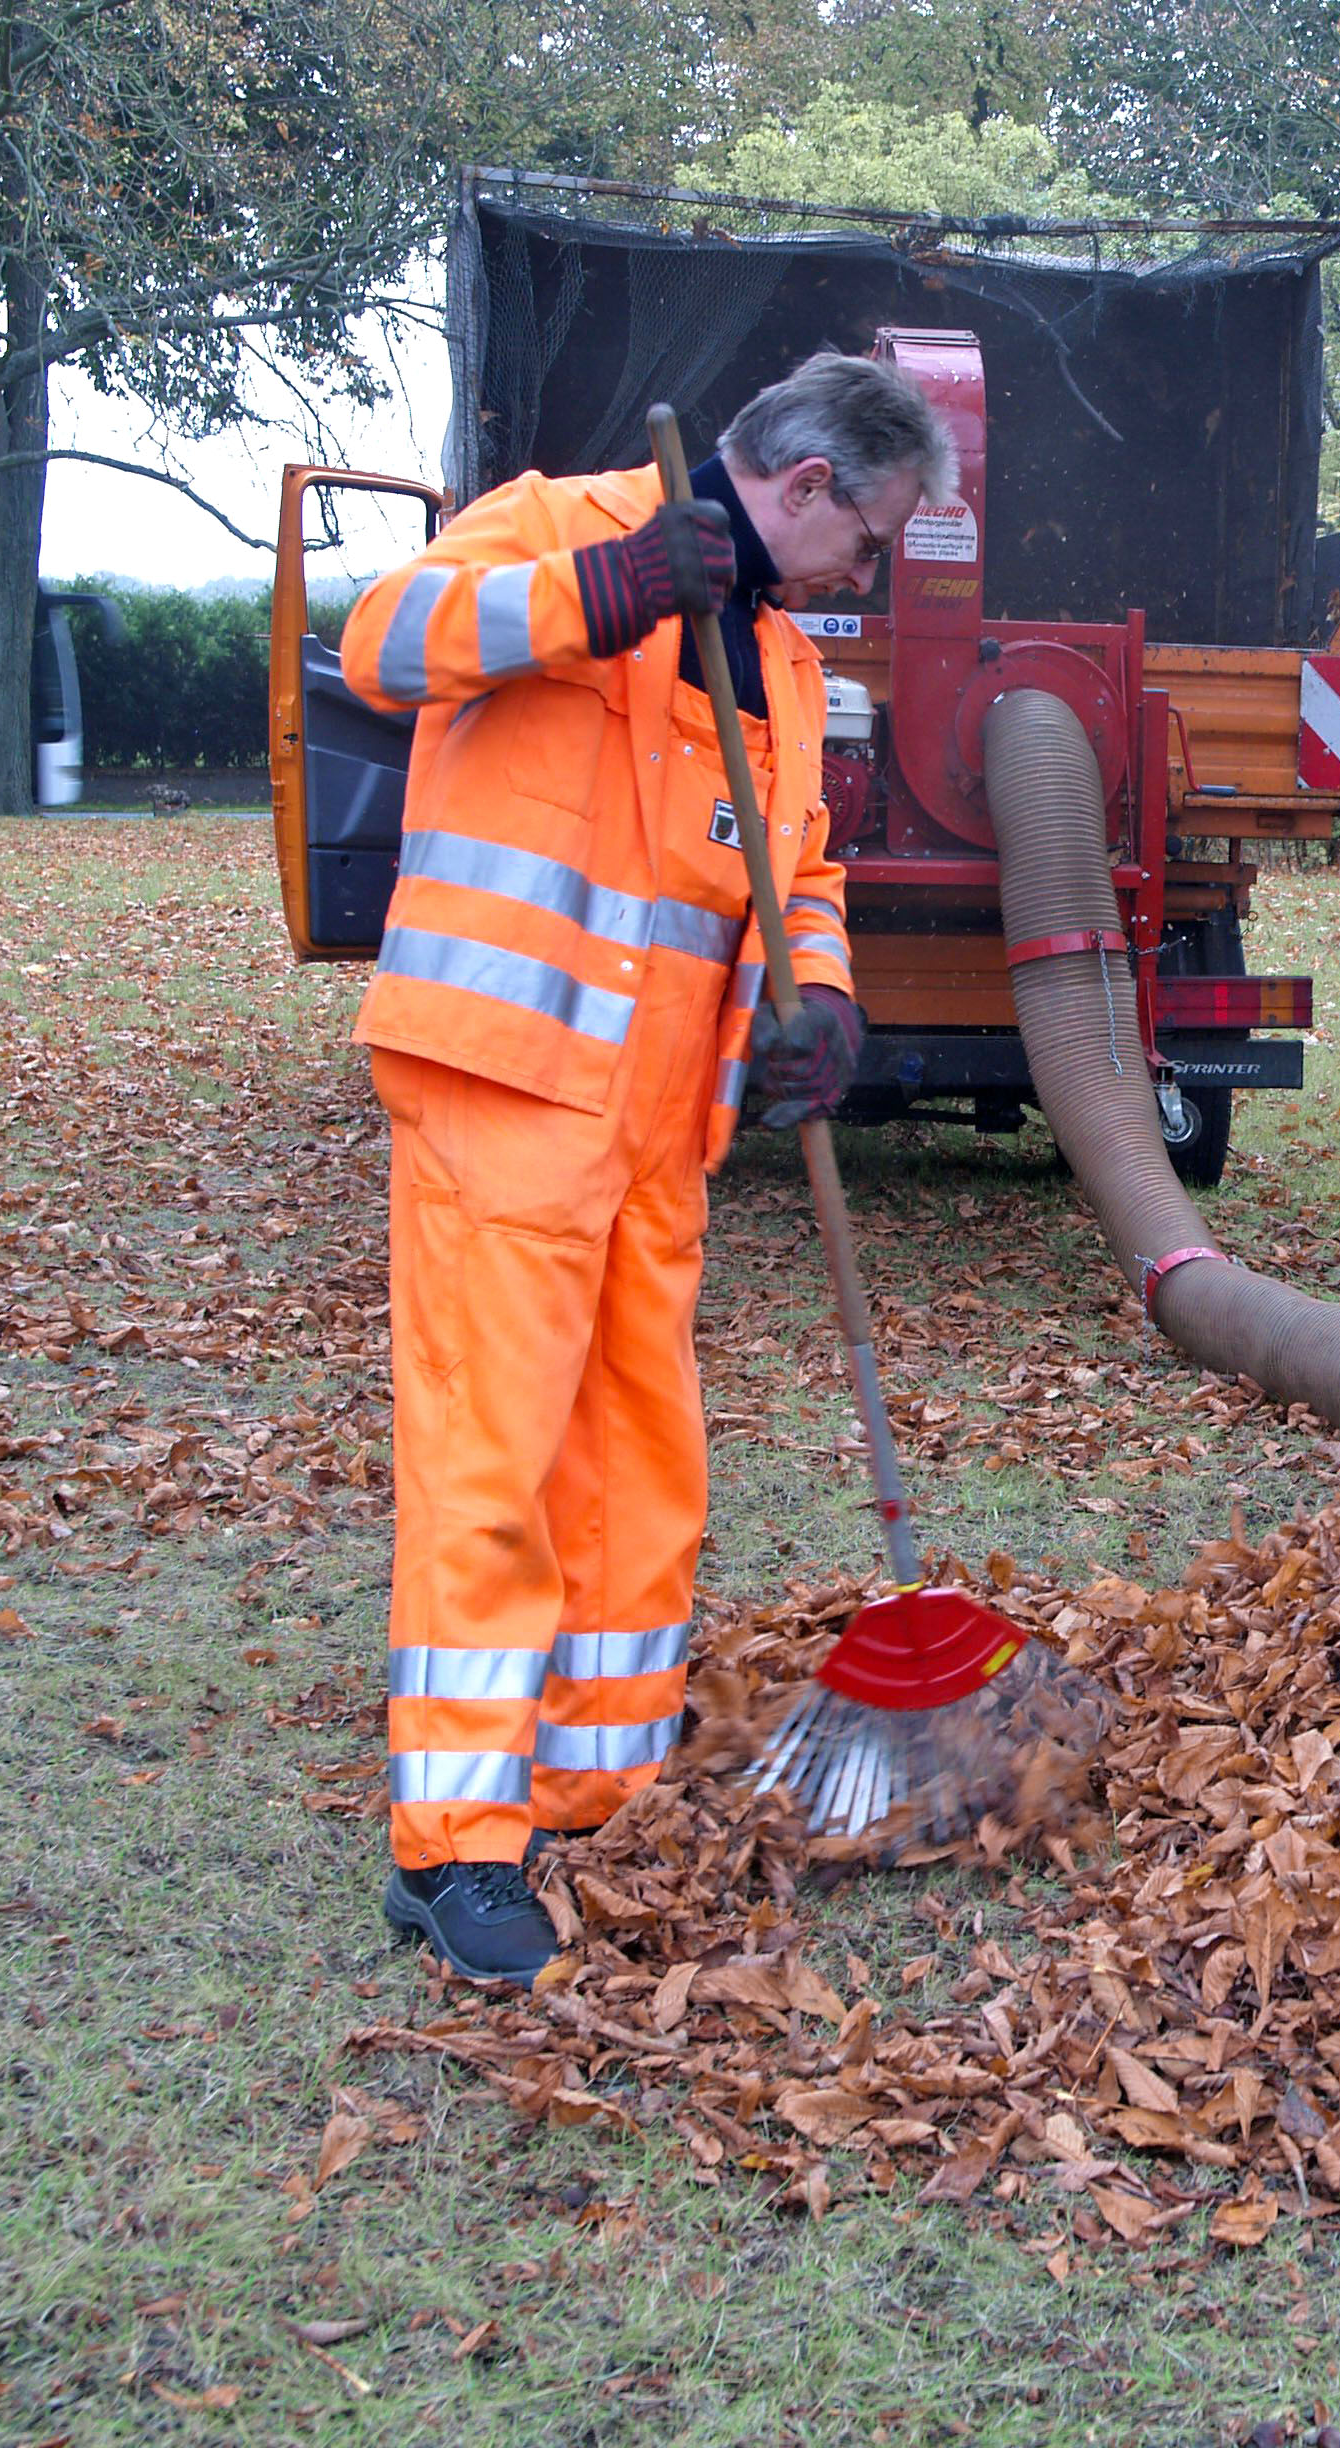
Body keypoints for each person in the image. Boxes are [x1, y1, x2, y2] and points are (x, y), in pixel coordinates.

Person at [341, 350, 958, 1983]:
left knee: (636, 1454)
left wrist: (819, 992)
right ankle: (455, 1843)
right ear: (810, 481)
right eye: (874, 536)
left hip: (657, 1120)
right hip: (505, 1082)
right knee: (494, 1459)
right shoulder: (563, 525)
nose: (870, 572)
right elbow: (379, 644)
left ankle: (592, 1774)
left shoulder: (782, 663)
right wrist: (602, 588)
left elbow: (796, 865)